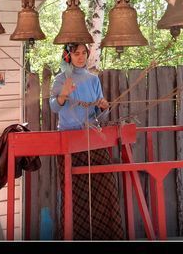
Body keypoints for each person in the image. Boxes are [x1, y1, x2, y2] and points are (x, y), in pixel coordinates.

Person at [49, 42, 123, 240]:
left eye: (83, 53)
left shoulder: (93, 79)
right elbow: (54, 108)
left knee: (105, 187)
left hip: (92, 138)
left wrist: (103, 106)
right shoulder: (61, 79)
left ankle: (107, 236)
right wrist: (64, 94)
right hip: (69, 141)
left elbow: (101, 115)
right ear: (68, 56)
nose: (80, 57)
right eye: (76, 53)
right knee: (74, 194)